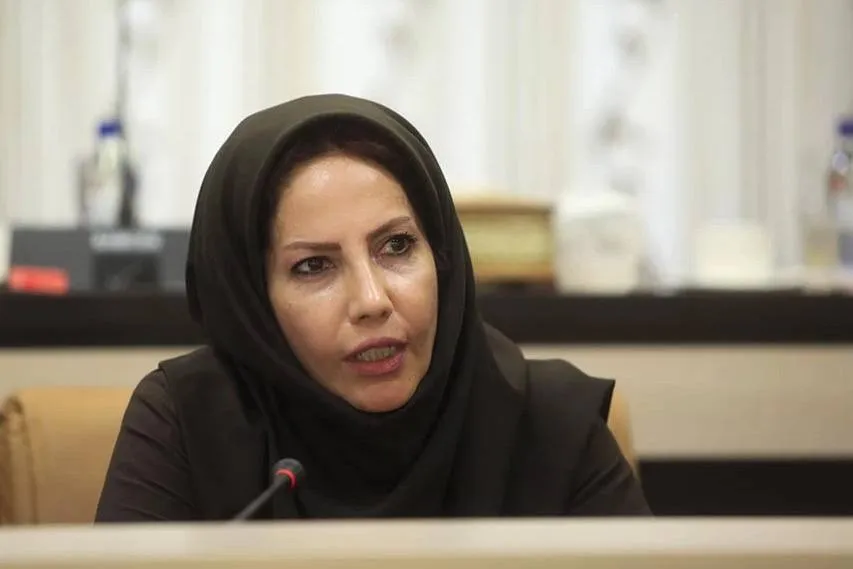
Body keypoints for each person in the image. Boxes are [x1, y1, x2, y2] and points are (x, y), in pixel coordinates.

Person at [95, 94, 650, 521]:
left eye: (397, 246)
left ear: (442, 254)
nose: (371, 301)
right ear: (251, 302)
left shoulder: (550, 426)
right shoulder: (186, 425)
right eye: (313, 265)